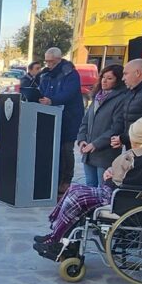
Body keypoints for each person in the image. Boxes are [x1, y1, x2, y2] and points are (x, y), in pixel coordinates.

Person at [35, 116, 142, 255]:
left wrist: (112, 178)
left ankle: (57, 239)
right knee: (73, 189)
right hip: (119, 192)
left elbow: (132, 181)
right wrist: (112, 172)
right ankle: (57, 235)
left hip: (122, 198)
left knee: (77, 197)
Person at [37, 47, 84, 192]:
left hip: (69, 118)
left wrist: (52, 100)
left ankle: (66, 181)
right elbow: (42, 91)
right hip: (50, 119)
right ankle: (52, 180)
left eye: (51, 62)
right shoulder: (46, 74)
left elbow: (68, 93)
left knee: (66, 150)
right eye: (47, 62)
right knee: (53, 150)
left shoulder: (70, 73)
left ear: (59, 59)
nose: (48, 65)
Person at [76, 64, 126, 187]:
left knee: (103, 188)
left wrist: (96, 144)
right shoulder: (97, 97)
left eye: (109, 78)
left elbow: (116, 128)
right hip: (88, 151)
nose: (104, 81)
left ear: (118, 80)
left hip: (105, 153)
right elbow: (85, 121)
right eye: (103, 77)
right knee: (89, 187)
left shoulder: (121, 99)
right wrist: (81, 139)